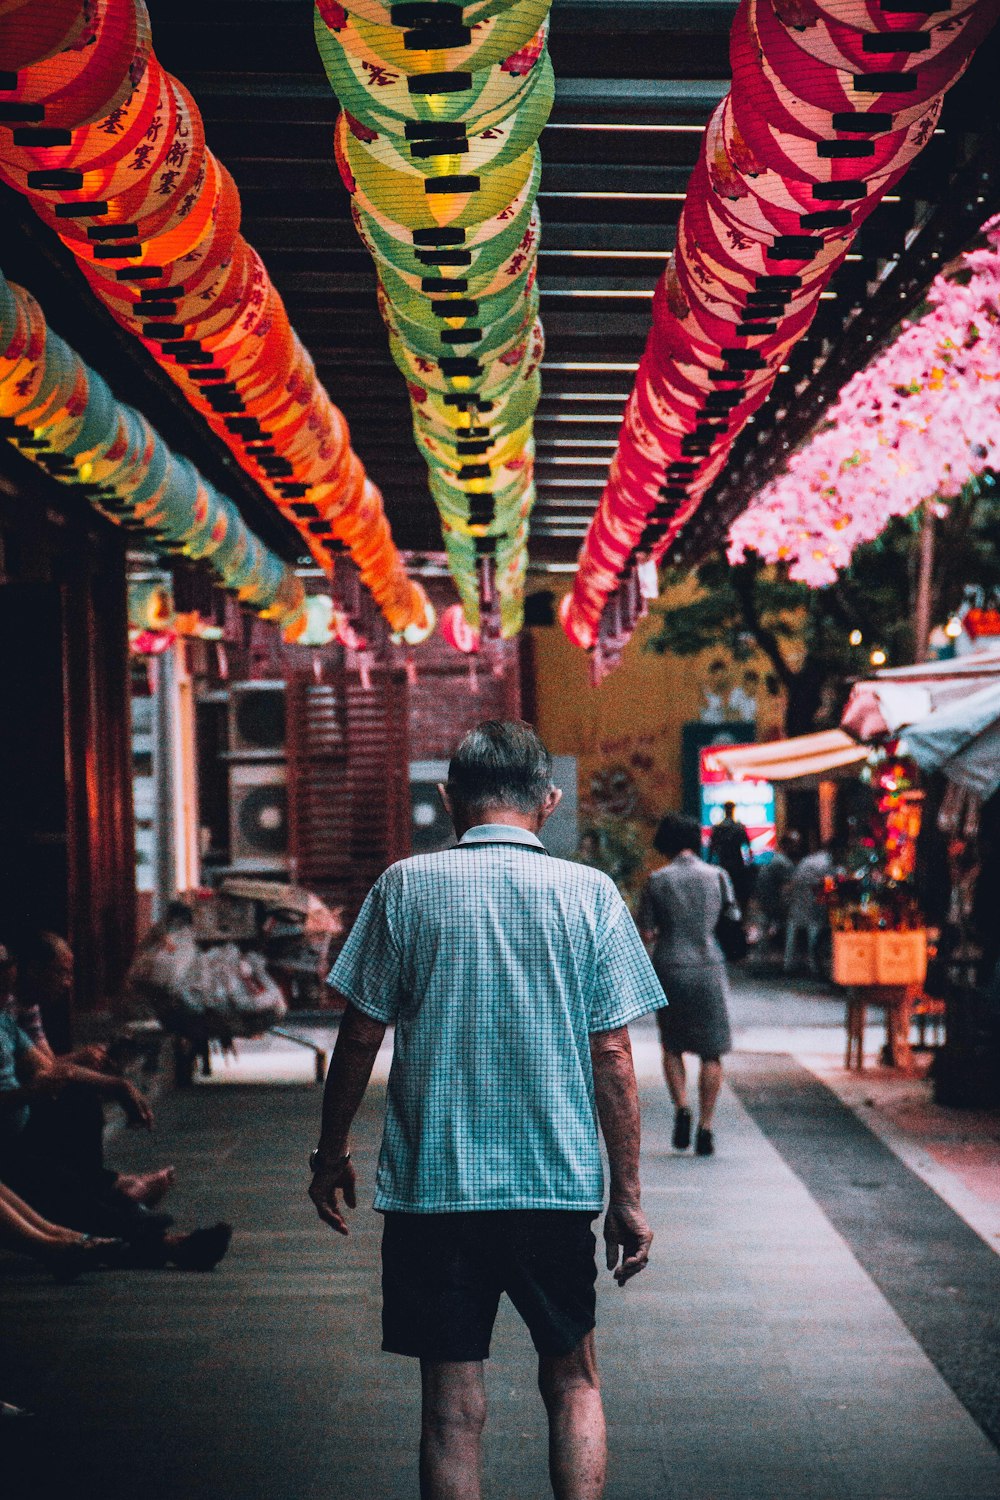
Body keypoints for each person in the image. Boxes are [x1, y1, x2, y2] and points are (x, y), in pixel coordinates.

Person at [308, 720, 664, 1500]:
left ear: (448, 799)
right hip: (554, 1189)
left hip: (435, 1192)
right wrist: (628, 1200)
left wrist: (332, 1153)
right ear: (549, 800)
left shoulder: (404, 887)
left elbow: (360, 1033)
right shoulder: (590, 895)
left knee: (451, 1411)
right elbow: (613, 1058)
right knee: (574, 1381)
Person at [0, 1009, 231, 1270]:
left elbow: (53, 1069)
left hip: (21, 1133)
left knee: (78, 1104)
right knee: (53, 1182)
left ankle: (102, 1209)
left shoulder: (5, 1023)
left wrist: (115, 1084)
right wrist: (27, 1094)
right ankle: (159, 1242)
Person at [638, 813, 737, 1158]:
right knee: (712, 1051)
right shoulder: (718, 876)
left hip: (669, 965)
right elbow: (732, 921)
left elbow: (647, 932)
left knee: (672, 1045)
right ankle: (706, 1126)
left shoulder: (656, 880)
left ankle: (681, 1106)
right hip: (708, 965)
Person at [784, 843, 835, 977]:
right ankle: (815, 965)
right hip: (812, 905)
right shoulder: (826, 862)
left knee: (794, 929)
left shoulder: (809, 860)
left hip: (797, 904)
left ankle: (788, 963)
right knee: (816, 928)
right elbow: (829, 884)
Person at [754, 832, 801, 953]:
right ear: (787, 845)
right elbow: (790, 886)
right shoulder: (783, 862)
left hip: (764, 901)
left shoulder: (774, 858)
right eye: (795, 845)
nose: (797, 848)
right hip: (773, 903)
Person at [708, 800, 753, 910]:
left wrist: (709, 864)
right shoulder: (739, 827)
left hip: (723, 863)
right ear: (733, 810)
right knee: (739, 894)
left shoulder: (718, 828)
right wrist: (750, 863)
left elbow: (712, 849)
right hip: (738, 864)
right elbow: (748, 847)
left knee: (723, 893)